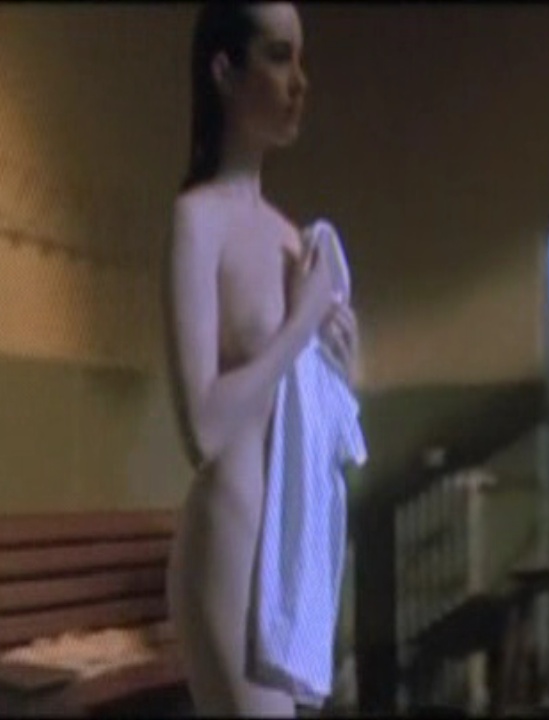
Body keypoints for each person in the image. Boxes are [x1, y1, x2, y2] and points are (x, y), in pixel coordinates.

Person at [163, 2, 358, 715]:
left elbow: (312, 422)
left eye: (301, 59)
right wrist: (302, 323)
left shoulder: (290, 236)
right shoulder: (197, 220)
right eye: (279, 57)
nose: (300, 81)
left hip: (284, 557)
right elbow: (203, 429)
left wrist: (339, 363)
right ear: (225, 72)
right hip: (229, 549)